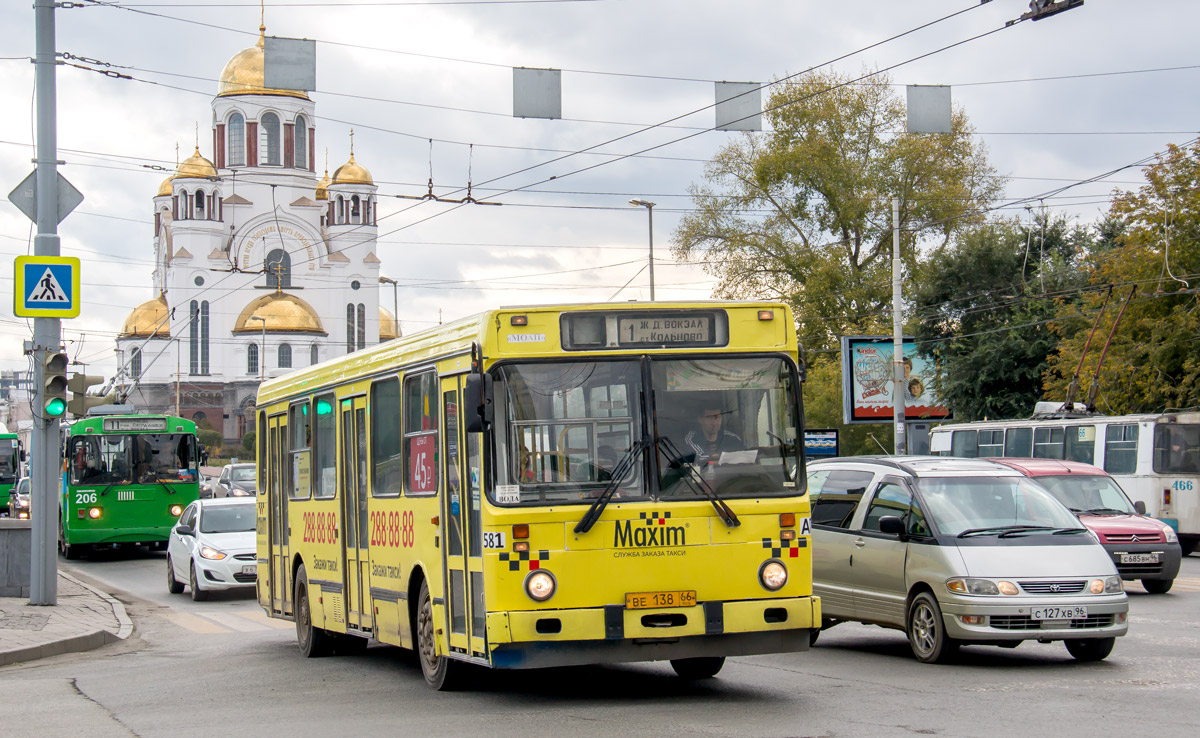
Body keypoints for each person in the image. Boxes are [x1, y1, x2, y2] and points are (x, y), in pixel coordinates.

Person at [683, 397, 743, 470]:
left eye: (717, 417)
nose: (714, 423)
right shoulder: (691, 439)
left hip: (730, 479)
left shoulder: (733, 438)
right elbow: (698, 461)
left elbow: (745, 459)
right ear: (700, 419)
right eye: (709, 418)